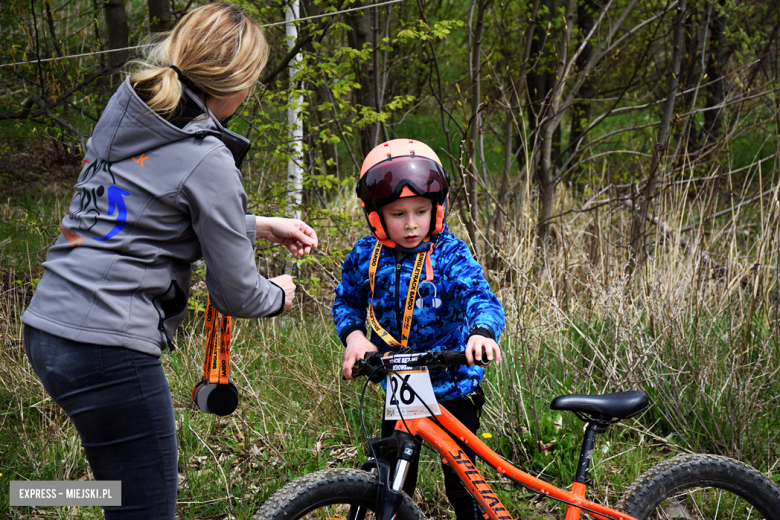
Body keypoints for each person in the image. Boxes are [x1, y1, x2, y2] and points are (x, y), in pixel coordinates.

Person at [21, 3, 317, 518]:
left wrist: (258, 225)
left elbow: (128, 216)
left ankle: (25, 500)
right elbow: (237, 293)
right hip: (109, 348)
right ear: (238, 88)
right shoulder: (207, 156)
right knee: (149, 506)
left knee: (120, 491)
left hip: (50, 332)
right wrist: (281, 296)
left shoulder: (130, 119)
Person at [332, 138, 505, 520]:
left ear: (437, 210)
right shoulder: (366, 255)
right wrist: (355, 337)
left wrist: (481, 331)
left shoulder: (449, 253)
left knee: (462, 486)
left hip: (454, 383)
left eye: (421, 211)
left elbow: (480, 296)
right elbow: (347, 302)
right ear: (375, 215)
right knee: (391, 482)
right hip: (401, 383)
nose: (411, 224)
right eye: (397, 213)